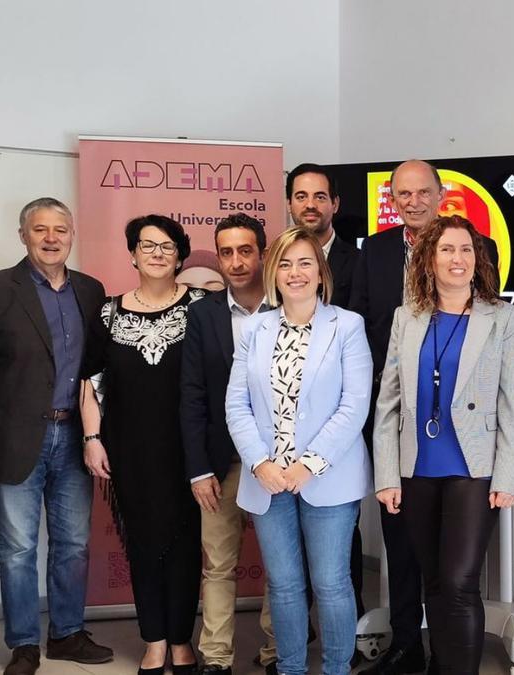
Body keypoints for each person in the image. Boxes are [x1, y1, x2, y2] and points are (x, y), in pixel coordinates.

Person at [350, 159, 498, 675]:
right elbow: (363, 322)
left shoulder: (477, 249)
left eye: (422, 191)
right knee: (404, 547)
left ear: (440, 195)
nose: (413, 201)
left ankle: (449, 657)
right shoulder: (375, 251)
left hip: (466, 438)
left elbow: (488, 332)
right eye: (402, 193)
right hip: (402, 420)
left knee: (453, 573)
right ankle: (407, 644)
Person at [373, 215, 514, 674]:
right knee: (434, 582)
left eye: (465, 249)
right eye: (446, 250)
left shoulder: (503, 318)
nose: (456, 259)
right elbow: (389, 403)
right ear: (428, 259)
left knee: (460, 583)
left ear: (478, 258)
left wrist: (507, 476)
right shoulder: (408, 317)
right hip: (417, 467)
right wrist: (386, 475)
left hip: (473, 469)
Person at [0, 198, 112, 675]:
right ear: (23, 234)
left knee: (73, 543)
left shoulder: (91, 292)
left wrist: (95, 430)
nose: (51, 238)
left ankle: (68, 634)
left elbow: (96, 369)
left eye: (61, 230)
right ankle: (24, 644)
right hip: (16, 438)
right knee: (18, 548)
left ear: (72, 235)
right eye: (40, 229)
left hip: (76, 438)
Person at [225, 226, 372, 675]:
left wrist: (308, 465)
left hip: (327, 477)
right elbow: (237, 403)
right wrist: (261, 462)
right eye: (285, 264)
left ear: (321, 271)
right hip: (267, 479)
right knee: (285, 586)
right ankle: (289, 669)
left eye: (305, 262)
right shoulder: (253, 328)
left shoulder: (346, 325)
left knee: (330, 583)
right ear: (273, 273)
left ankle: (335, 669)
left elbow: (355, 404)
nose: (295, 272)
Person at [80, 214, 206, 675]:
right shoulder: (108, 313)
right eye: (146, 245)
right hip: (128, 449)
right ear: (132, 253)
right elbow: (91, 382)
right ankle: (153, 639)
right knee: (143, 543)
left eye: (167, 245)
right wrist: (92, 438)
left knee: (185, 543)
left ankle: (181, 640)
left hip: (188, 451)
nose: (156, 252)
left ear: (180, 255)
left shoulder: (202, 307)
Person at [179, 213, 277, 675]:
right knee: (217, 565)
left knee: (282, 565)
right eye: (227, 252)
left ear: (262, 252)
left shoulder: (290, 305)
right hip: (222, 463)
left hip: (279, 462)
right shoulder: (202, 314)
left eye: (245, 251)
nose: (236, 262)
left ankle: (279, 649)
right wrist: (198, 469)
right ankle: (216, 659)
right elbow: (192, 394)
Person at [288, 164, 357, 309]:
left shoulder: (359, 262)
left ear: (335, 204)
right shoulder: (274, 262)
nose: (310, 205)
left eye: (320, 197)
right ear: (289, 204)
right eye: (301, 197)